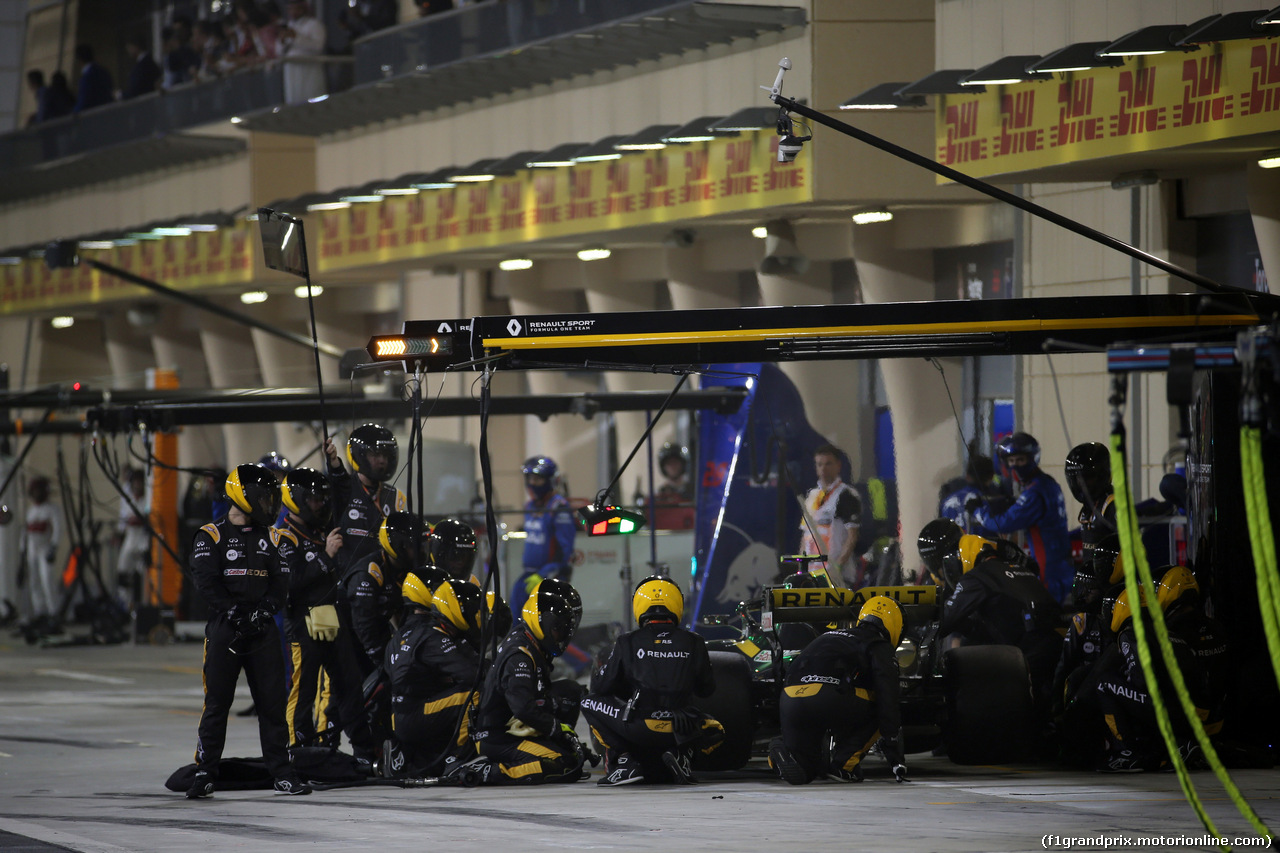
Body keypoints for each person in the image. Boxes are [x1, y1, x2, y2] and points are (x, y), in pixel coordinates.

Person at [184, 464, 310, 797]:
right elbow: (205, 583)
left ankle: (282, 773)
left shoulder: (274, 537)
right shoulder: (210, 536)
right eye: (265, 497)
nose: (271, 505)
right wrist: (234, 611)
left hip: (263, 630)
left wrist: (263, 611)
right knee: (217, 704)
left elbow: (280, 585)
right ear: (242, 496)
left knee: (272, 705)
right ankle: (205, 772)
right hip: (226, 630)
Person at [581, 576, 724, 786]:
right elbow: (707, 689)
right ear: (677, 604)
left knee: (588, 701)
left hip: (642, 725)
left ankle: (625, 761)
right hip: (681, 728)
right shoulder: (695, 642)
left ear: (639, 605)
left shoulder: (626, 641)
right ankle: (683, 757)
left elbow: (603, 687)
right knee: (717, 729)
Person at [276, 467, 376, 760]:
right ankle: (295, 751)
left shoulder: (324, 528)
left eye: (322, 499)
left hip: (332, 618)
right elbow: (288, 584)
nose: (321, 505)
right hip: (301, 622)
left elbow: (345, 492)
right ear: (295, 500)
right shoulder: (284, 537)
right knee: (303, 689)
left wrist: (334, 463)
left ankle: (362, 750)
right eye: (314, 500)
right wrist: (325, 557)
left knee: (349, 684)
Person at [768, 595, 909, 785]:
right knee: (881, 706)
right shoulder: (878, 644)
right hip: (827, 697)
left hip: (791, 698)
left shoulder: (827, 636)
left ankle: (785, 749)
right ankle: (844, 765)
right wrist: (894, 749)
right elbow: (888, 696)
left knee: (805, 771)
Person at [473, 578, 588, 785]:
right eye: (556, 629)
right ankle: (488, 771)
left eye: (563, 631)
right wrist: (557, 728)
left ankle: (547, 747)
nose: (560, 636)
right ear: (541, 621)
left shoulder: (529, 640)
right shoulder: (521, 656)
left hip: (512, 729)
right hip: (499, 737)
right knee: (564, 763)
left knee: (571, 691)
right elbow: (524, 708)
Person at [938, 534, 1063, 706]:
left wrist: (918, 624)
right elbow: (997, 627)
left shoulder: (977, 576)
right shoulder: (1020, 569)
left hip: (1029, 653)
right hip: (1059, 643)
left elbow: (945, 619)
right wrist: (966, 626)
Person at [385, 575, 483, 777]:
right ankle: (457, 760)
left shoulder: (404, 633)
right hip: (415, 714)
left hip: (399, 715)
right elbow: (471, 675)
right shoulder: (434, 636)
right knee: (474, 694)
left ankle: (404, 755)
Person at [969, 432, 1073, 602]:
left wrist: (978, 511)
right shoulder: (1047, 483)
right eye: (1011, 461)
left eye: (1020, 460)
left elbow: (1002, 524)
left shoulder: (1034, 493)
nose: (1015, 466)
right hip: (1060, 564)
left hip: (1049, 568)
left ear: (1032, 458)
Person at [1051, 535, 1123, 767]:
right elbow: (1065, 666)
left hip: (1117, 681)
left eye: (1089, 590)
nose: (1084, 595)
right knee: (1078, 679)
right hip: (1094, 684)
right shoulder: (1082, 621)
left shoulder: (1122, 608)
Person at [331, 426, 406, 578]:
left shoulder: (396, 496)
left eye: (385, 456)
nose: (382, 461)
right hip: (346, 578)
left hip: (385, 579)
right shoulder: (342, 490)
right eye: (375, 455)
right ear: (360, 455)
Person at [512, 456, 575, 619]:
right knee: (515, 617)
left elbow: (565, 549)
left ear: (549, 481)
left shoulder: (558, 507)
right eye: (530, 478)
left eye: (538, 479)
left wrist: (544, 574)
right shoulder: (530, 506)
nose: (532, 483)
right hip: (529, 574)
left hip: (549, 576)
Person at [799, 444, 862, 588]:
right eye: (819, 464)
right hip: (811, 575)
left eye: (828, 464)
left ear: (838, 466)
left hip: (836, 576)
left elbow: (852, 536)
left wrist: (837, 567)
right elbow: (805, 536)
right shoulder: (812, 496)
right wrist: (801, 570)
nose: (823, 469)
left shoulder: (846, 495)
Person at [1064, 442, 1116, 569]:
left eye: (1087, 478)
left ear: (1102, 475)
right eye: (1078, 479)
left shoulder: (1113, 505)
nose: (1082, 484)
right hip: (1093, 580)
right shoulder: (1089, 507)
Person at [21, 476, 63, 632]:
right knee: (34, 581)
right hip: (32, 549)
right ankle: (40, 611)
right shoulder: (31, 511)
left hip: (45, 548)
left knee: (47, 579)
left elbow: (58, 529)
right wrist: (22, 553)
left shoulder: (52, 509)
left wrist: (54, 547)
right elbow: (24, 533)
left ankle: (54, 612)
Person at [116, 468, 150, 608]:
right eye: (135, 483)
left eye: (140, 482)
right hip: (130, 539)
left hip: (143, 540)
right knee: (122, 570)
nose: (137, 486)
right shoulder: (127, 500)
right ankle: (126, 603)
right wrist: (119, 533)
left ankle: (144, 604)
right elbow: (122, 520)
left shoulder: (148, 500)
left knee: (143, 574)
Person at [280, 0, 327, 104]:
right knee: (294, 102)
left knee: (312, 100)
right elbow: (280, 51)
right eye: (290, 9)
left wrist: (296, 37)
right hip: (292, 72)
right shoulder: (289, 26)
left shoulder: (314, 24)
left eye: (295, 8)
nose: (293, 12)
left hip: (308, 70)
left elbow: (318, 46)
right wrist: (282, 41)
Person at [427, 517, 478, 582]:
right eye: (454, 556)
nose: (460, 562)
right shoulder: (425, 583)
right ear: (438, 552)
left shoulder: (474, 585)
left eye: (465, 557)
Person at [72, 43, 114, 113]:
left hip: (93, 115)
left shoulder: (87, 76)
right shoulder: (104, 72)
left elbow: (84, 99)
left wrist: (75, 113)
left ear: (79, 59)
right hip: (107, 112)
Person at [121, 35, 162, 99]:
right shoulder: (148, 62)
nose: (128, 51)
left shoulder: (144, 65)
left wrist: (120, 95)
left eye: (129, 47)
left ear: (135, 47)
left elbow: (135, 89)